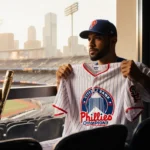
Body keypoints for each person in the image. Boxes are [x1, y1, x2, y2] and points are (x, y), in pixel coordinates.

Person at [40, 19, 150, 150]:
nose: (91, 44)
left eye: (97, 38)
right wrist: (60, 80)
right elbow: (66, 103)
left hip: (112, 143)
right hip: (75, 140)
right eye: (89, 39)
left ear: (113, 40)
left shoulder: (134, 69)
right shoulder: (75, 73)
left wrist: (140, 77)